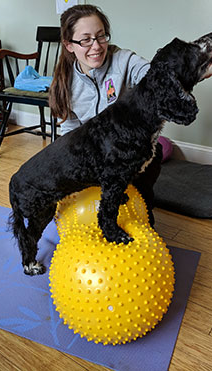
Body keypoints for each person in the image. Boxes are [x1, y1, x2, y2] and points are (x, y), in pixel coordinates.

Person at [49, 4, 162, 226]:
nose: (96, 46)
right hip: (94, 156)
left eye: (101, 37)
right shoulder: (65, 82)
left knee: (154, 157)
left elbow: (152, 78)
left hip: (128, 151)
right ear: (69, 45)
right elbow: (70, 133)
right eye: (86, 40)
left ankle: (145, 214)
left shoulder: (124, 60)